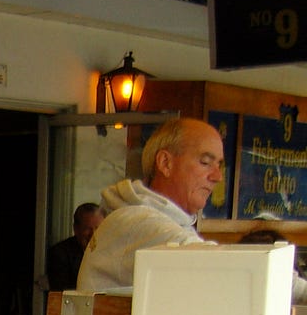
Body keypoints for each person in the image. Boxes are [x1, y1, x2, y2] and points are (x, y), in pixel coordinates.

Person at [77, 117, 307, 302]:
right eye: (205, 163)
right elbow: (233, 270)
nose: (217, 177)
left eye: (219, 165)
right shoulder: (137, 221)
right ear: (166, 163)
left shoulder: (153, 219)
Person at [45, 202, 102, 292]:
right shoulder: (60, 254)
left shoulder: (108, 252)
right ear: (76, 229)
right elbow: (62, 292)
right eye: (87, 229)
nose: (93, 234)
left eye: (98, 228)